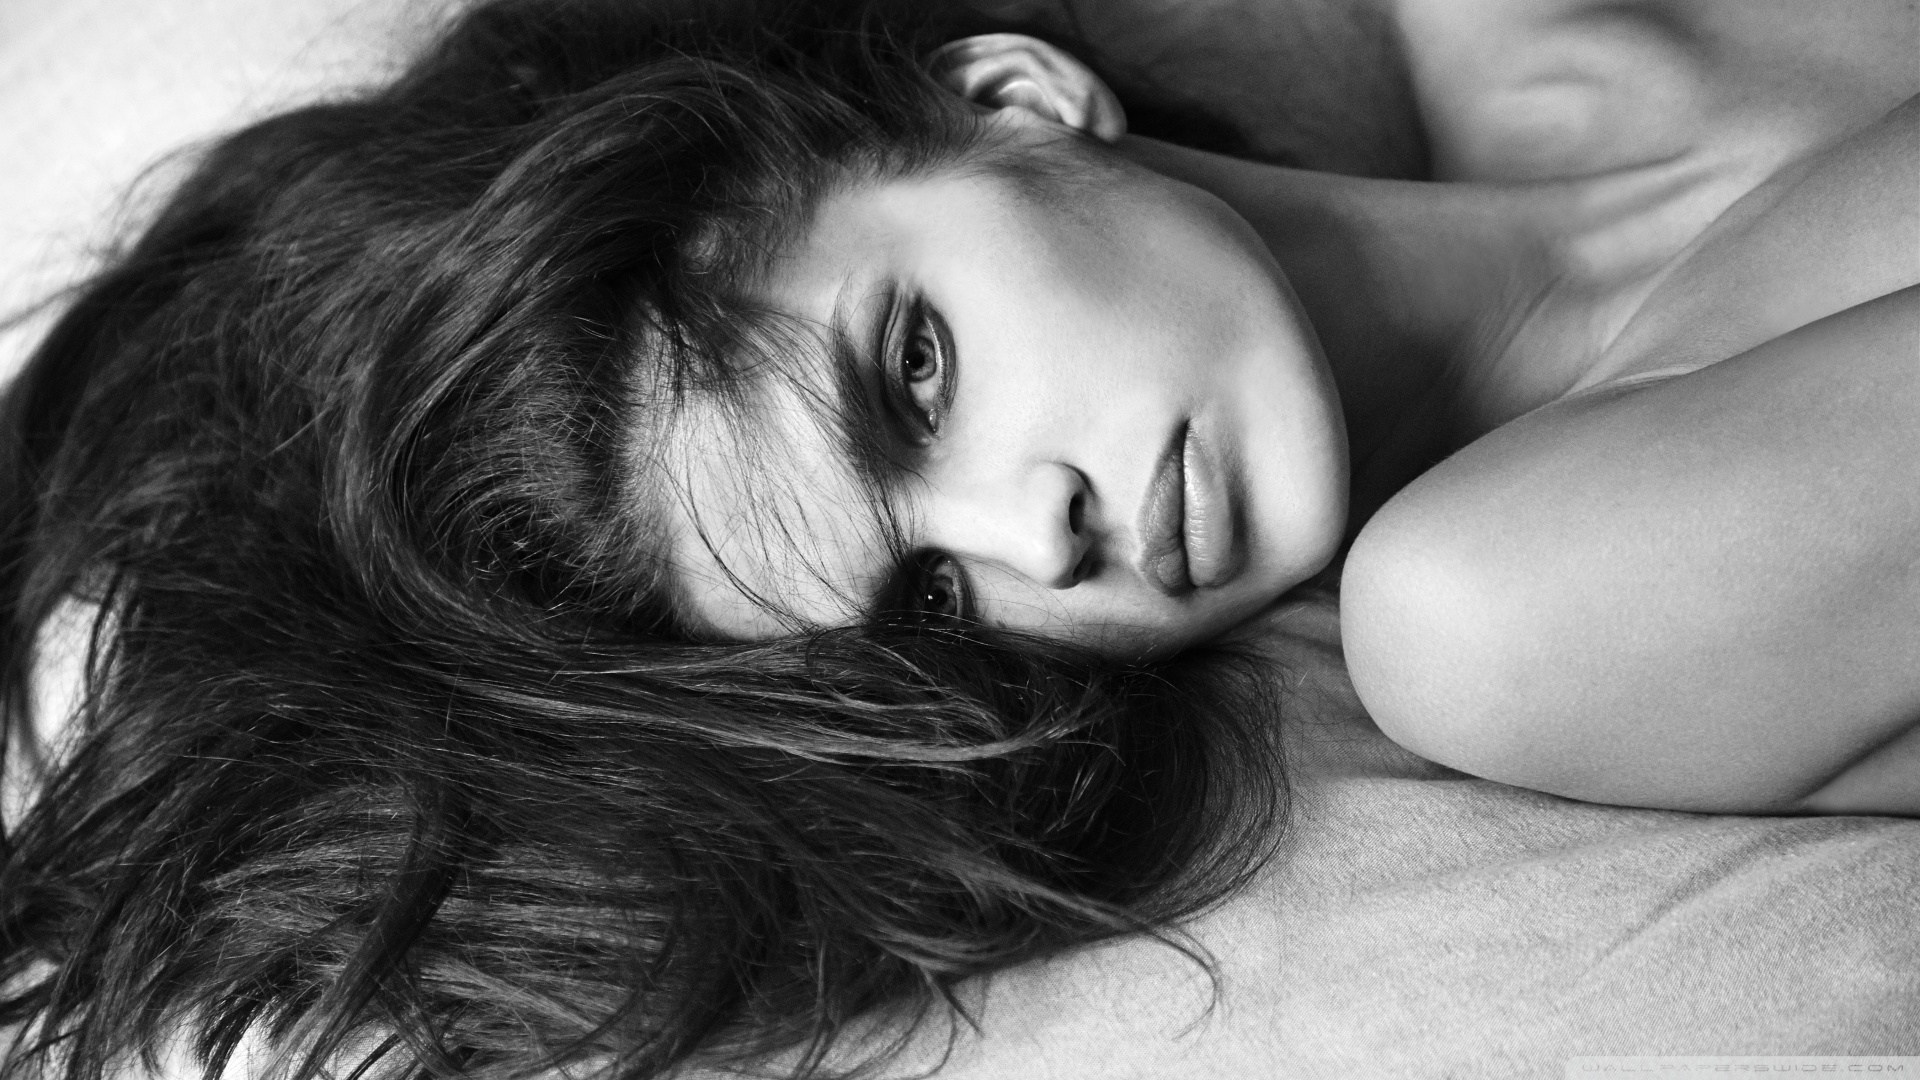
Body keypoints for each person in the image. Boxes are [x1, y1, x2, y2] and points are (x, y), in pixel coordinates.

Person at [0, 0, 1913, 1076]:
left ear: (1011, 97)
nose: (1038, 538)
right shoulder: (1505, 614)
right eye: (927, 597)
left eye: (913, 374)